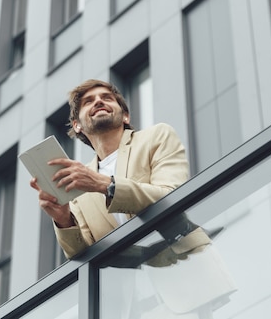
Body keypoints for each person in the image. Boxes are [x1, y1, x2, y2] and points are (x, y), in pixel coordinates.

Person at [30, 79, 210, 260]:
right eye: (88, 101)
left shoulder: (157, 136)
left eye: (107, 98)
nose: (99, 101)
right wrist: (64, 220)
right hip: (128, 281)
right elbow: (82, 255)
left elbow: (172, 197)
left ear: (125, 116)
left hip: (190, 260)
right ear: (77, 125)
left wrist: (106, 185)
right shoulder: (77, 185)